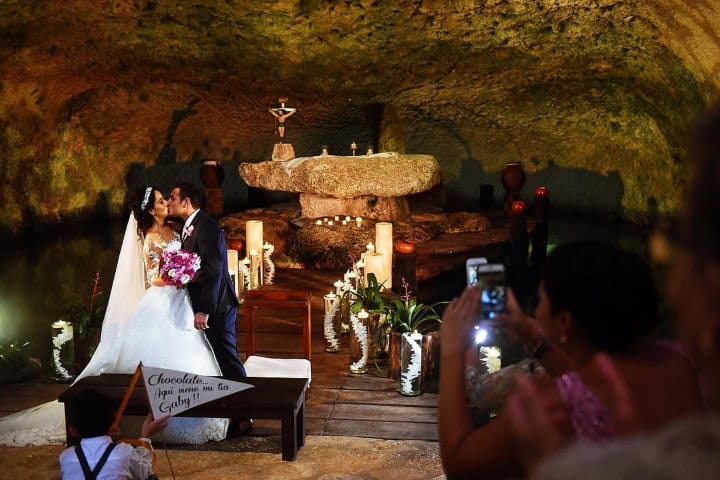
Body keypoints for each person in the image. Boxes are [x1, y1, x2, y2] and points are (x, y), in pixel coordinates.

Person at [511, 105, 720, 480]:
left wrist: (551, 462)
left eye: (674, 240)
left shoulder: (597, 452)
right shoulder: (683, 367)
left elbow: (464, 462)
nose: (670, 282)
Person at [438, 241, 702, 479]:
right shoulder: (683, 361)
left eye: (540, 301)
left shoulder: (550, 405)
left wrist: (451, 347)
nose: (536, 310)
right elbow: (591, 381)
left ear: (564, 321)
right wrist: (532, 336)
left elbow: (461, 464)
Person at [0, 186, 229, 445]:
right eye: (161, 200)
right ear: (151, 210)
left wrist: (188, 273)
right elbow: (154, 278)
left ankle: (204, 410)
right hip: (165, 299)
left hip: (182, 300)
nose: (166, 202)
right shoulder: (151, 238)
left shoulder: (177, 229)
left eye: (167, 199)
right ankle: (161, 420)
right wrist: (178, 276)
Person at [167, 183, 251, 437]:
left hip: (217, 305)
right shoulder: (189, 226)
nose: (169, 202)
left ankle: (245, 415)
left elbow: (214, 269)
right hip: (206, 304)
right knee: (219, 358)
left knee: (228, 360)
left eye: (172, 198)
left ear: (186, 202)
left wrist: (203, 309)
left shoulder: (207, 226)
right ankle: (232, 412)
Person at [59, 389, 168, 480]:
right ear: (113, 423)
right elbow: (146, 473)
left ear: (72, 430)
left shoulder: (66, 457)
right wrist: (145, 436)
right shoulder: (125, 452)